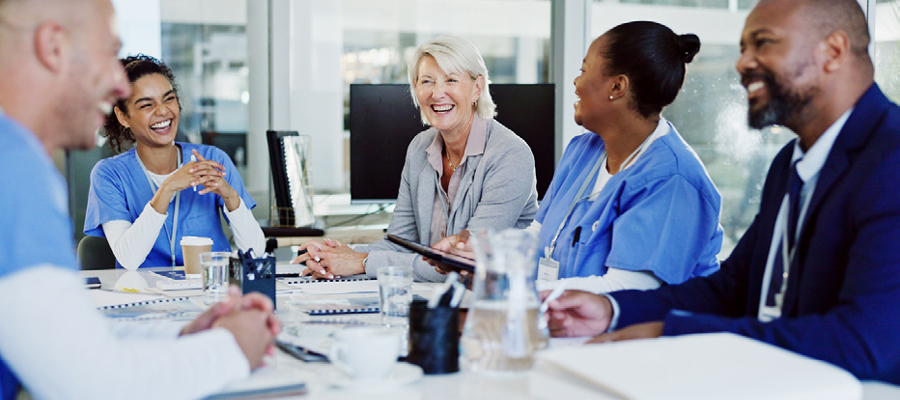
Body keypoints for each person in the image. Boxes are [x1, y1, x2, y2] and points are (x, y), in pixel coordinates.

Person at [545, 0, 900, 384]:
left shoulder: (891, 160)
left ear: (833, 52)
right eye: (743, 48)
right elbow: (733, 288)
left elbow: (865, 343)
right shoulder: (790, 163)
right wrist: (612, 309)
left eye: (763, 44)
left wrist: (673, 334)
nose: (742, 63)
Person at [0, 0, 278, 399]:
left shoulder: (18, 159)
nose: (118, 83)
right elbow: (90, 384)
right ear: (54, 47)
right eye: (109, 53)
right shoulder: (13, 170)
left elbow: (68, 335)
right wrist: (232, 347)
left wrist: (181, 332)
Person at [436, 22, 723, 294]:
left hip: (650, 339)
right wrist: (479, 254)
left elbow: (625, 291)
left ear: (617, 87)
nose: (576, 82)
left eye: (584, 70)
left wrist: (509, 289)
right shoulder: (583, 151)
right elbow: (537, 239)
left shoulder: (671, 179)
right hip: (571, 327)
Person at [293, 35, 539, 282]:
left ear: (477, 88)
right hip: (436, 300)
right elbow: (400, 243)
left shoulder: (510, 155)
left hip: (496, 306)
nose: (437, 93)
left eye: (451, 80)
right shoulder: (420, 148)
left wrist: (362, 261)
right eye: (427, 81)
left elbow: (463, 265)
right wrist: (334, 256)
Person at [83, 55, 265, 270]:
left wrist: (230, 196)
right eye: (146, 105)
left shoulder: (212, 160)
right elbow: (129, 259)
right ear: (123, 117)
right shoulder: (109, 174)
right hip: (143, 295)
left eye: (168, 99)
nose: (162, 111)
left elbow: (255, 252)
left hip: (210, 291)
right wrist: (167, 188)